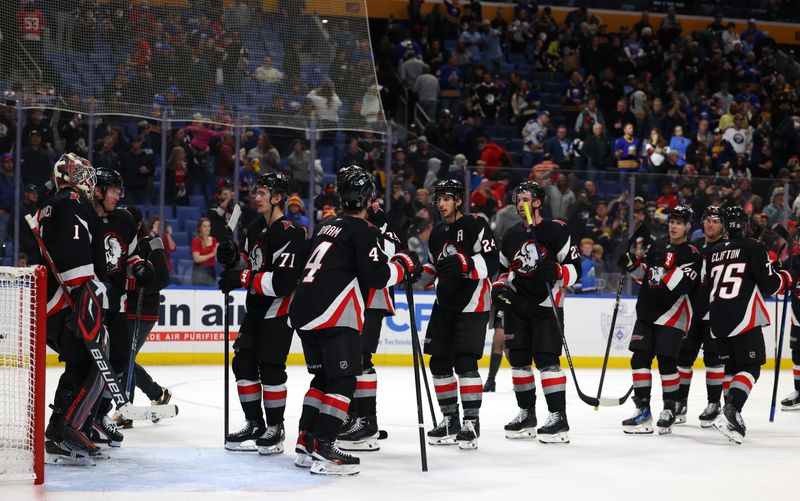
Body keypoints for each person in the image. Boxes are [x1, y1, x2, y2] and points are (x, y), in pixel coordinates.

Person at [289, 170, 419, 475]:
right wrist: (403, 266)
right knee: (344, 379)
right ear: (369, 199)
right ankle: (324, 445)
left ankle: (306, 440)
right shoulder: (364, 230)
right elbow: (375, 276)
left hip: (305, 311)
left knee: (321, 380)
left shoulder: (325, 226)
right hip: (335, 314)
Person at [217, 173, 306, 455]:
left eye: (263, 193)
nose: (256, 197)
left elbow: (282, 283)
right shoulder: (255, 225)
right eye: (256, 192)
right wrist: (231, 256)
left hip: (278, 311)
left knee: (270, 368)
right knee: (242, 363)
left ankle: (275, 427)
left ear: (277, 198)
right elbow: (250, 260)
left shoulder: (291, 231)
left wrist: (241, 277)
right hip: (255, 309)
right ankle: (254, 423)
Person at [491, 181, 581, 443]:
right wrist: (499, 287)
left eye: (526, 200)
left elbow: (574, 269)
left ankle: (558, 417)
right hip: (517, 306)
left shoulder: (556, 230)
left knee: (547, 361)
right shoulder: (511, 234)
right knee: (518, 361)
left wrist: (558, 271)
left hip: (546, 307)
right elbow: (504, 269)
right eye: (518, 200)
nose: (521, 204)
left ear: (538, 202)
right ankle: (526, 413)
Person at [416, 179, 498, 450]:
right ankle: (450, 418)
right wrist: (416, 276)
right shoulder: (438, 231)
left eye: (447, 199)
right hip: (444, 303)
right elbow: (433, 266)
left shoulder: (476, 223)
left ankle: (471, 421)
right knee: (438, 363)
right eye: (438, 200)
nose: (441, 204)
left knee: (465, 364)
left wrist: (465, 263)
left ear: (458, 201)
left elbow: (492, 262)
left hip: (472, 304)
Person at [40, 154, 109, 465]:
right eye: (83, 172)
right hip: (68, 299)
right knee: (91, 361)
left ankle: (58, 433)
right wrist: (85, 294)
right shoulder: (70, 201)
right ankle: (68, 427)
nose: (88, 179)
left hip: (54, 299)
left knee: (79, 365)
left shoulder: (51, 204)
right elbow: (74, 250)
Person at [707, 206, 791, 443]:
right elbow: (769, 286)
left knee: (731, 368)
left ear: (725, 225)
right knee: (751, 366)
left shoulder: (713, 252)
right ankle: (731, 410)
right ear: (744, 225)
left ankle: (732, 415)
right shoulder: (753, 246)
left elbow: (741, 275)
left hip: (717, 319)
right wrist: (784, 277)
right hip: (742, 317)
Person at [334, 166, 403, 452]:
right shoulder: (351, 217)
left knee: (361, 358)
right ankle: (354, 416)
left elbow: (385, 255)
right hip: (353, 296)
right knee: (350, 358)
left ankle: (367, 421)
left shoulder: (375, 217)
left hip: (371, 297)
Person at [617, 205, 702, 435]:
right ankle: (643, 410)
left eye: (679, 222)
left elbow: (683, 285)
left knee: (667, 363)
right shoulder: (659, 243)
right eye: (672, 221)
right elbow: (649, 276)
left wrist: (666, 263)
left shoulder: (692, 254)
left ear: (687, 227)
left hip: (672, 315)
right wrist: (633, 266)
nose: (674, 225)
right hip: (647, 311)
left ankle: (669, 408)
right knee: (639, 359)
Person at [89, 168, 153, 447]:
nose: (119, 195)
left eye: (119, 190)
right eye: (114, 190)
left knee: (117, 363)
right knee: (87, 365)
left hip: (116, 305)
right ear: (99, 191)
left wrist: (140, 267)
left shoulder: (125, 220)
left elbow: (133, 254)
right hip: (89, 305)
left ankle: (100, 416)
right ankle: (80, 418)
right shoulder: (85, 218)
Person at [675, 206, 728, 427]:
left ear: (723, 225)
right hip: (692, 313)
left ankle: (714, 404)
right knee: (683, 359)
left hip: (716, 314)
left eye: (715, 220)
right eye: (706, 219)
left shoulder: (727, 249)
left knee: (713, 361)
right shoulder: (694, 248)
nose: (709, 224)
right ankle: (680, 402)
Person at [120, 206, 172, 428]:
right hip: (125, 309)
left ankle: (125, 410)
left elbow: (162, 278)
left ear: (139, 225)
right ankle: (157, 393)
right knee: (124, 359)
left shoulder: (152, 243)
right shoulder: (123, 245)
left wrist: (137, 284)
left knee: (124, 360)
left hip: (144, 311)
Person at [191, 218, 218, 286]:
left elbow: (216, 259)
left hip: (211, 271)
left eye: (209, 226)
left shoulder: (214, 240)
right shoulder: (196, 241)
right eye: (204, 226)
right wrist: (212, 254)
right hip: (198, 272)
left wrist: (219, 252)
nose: (207, 228)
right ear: (200, 228)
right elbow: (197, 259)